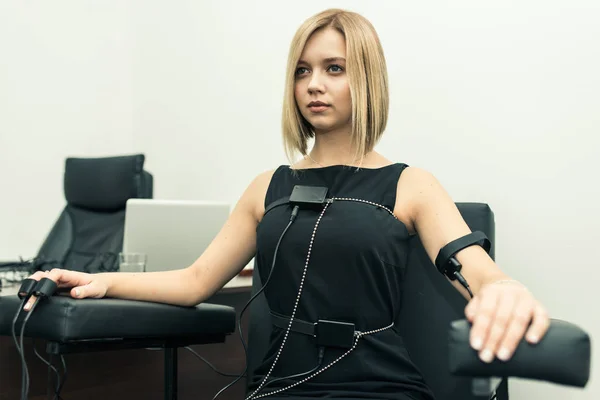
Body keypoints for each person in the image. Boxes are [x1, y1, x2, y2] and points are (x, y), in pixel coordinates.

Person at [23, 8, 550, 400]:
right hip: (279, 385)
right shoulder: (266, 187)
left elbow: (478, 270)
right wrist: (100, 282)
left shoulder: (411, 185)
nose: (313, 85)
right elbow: (195, 281)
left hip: (377, 388)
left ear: (366, 78)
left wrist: (505, 290)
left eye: (334, 69)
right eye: (302, 71)